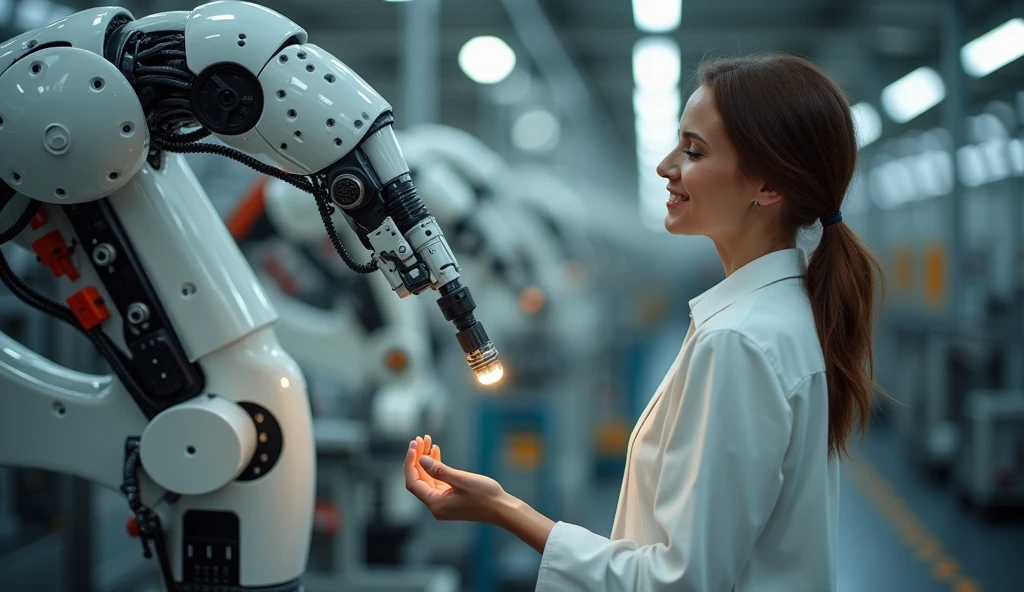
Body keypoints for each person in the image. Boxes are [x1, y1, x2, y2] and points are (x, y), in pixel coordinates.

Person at [404, 52, 884, 591]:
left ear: (766, 187)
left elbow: (681, 582)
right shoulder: (776, 317)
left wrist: (505, 509)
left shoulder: (739, 342)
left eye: (694, 151)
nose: (665, 166)